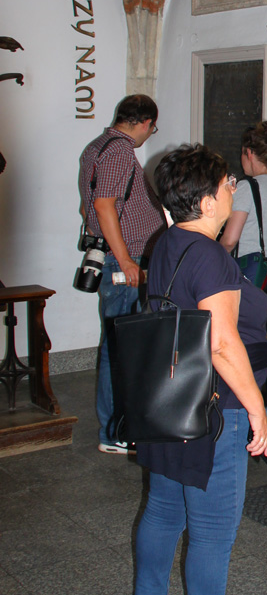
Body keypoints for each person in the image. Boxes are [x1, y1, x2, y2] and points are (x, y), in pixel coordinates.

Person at [130, 144, 267, 595]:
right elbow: (222, 343)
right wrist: (257, 409)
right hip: (215, 408)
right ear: (208, 201)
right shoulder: (211, 256)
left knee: (163, 509)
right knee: (212, 529)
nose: (233, 188)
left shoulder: (165, 243)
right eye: (226, 183)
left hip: (169, 399)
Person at [78, 94, 165, 454]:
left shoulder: (96, 146)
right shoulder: (119, 151)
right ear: (144, 123)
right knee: (121, 348)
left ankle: (118, 427)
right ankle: (115, 431)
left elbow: (88, 206)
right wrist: (126, 259)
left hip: (117, 256)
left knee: (118, 344)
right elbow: (103, 206)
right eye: (151, 129)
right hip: (123, 262)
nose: (149, 134)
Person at [220, 121, 267, 441]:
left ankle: (242, 410)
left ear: (249, 153)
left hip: (250, 275)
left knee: (241, 343)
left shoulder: (247, 189)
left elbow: (230, 239)